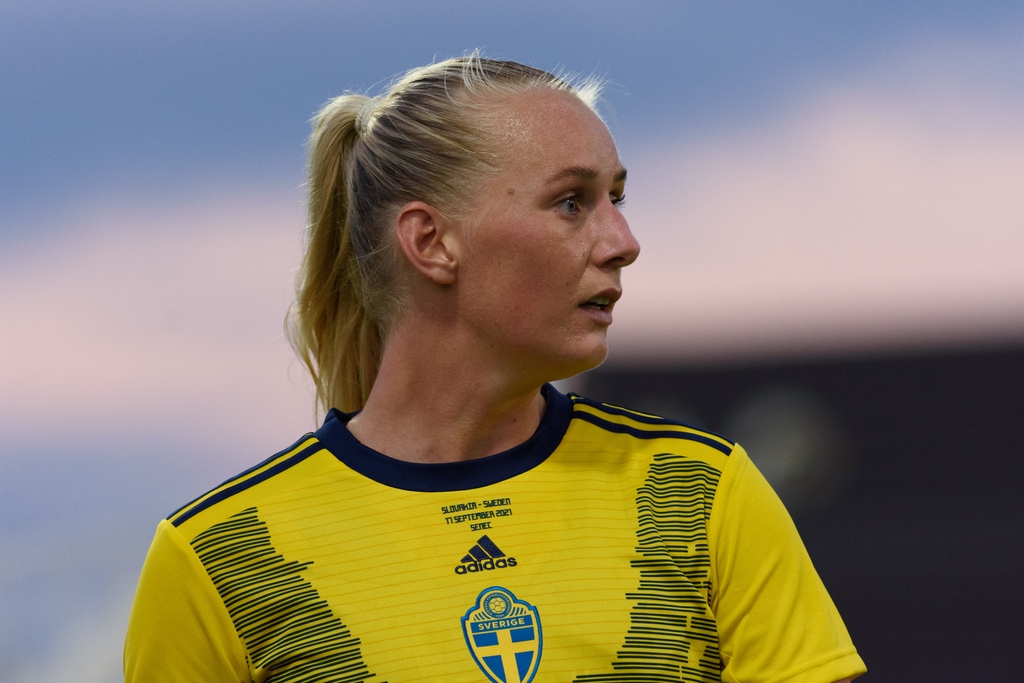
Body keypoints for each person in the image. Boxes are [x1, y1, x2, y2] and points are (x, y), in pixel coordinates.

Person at [124, 54, 866, 683]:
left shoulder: (705, 492)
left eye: (618, 197)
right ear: (432, 242)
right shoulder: (216, 556)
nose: (624, 239)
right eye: (572, 202)